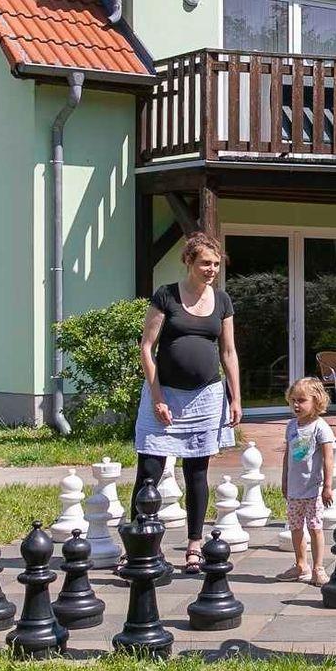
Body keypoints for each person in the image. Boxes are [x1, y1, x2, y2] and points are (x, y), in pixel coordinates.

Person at [137, 231, 243, 572]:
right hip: (165, 393)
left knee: (197, 471)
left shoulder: (223, 301)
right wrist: (157, 397)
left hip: (206, 396)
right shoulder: (166, 296)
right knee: (149, 470)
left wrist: (236, 397)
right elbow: (147, 348)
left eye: (216, 264)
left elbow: (228, 352)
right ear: (188, 262)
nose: (211, 270)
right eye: (205, 263)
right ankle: (139, 544)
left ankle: (194, 545)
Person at [280, 376, 336, 585]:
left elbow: (328, 458)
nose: (296, 405)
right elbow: (287, 455)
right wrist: (284, 480)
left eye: (302, 400)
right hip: (295, 489)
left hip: (313, 489)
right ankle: (300, 564)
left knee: (315, 528)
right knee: (295, 528)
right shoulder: (291, 426)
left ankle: (318, 568)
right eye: (293, 400)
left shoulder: (320, 427)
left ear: (316, 401)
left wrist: (328, 486)